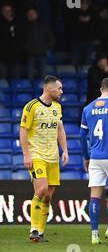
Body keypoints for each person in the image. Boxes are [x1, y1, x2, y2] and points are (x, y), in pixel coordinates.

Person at [20, 76, 69, 242]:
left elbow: (60, 129)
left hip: (53, 156)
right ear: (49, 89)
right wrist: (26, 154)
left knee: (48, 196)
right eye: (60, 88)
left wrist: (65, 150)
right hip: (37, 155)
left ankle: (40, 232)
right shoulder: (31, 106)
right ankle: (33, 229)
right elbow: (23, 131)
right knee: (41, 189)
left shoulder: (57, 107)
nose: (62, 91)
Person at [79, 78, 108, 244]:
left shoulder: (88, 108)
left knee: (95, 196)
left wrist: (85, 157)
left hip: (95, 158)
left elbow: (82, 136)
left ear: (100, 89)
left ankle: (94, 235)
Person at [21, 8, 55, 80]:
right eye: (30, 14)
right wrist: (27, 49)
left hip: (42, 55)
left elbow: (51, 39)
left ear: (37, 15)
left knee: (42, 78)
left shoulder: (43, 26)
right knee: (30, 78)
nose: (31, 15)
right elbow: (21, 41)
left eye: (33, 14)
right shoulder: (24, 28)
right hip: (30, 56)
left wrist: (44, 48)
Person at [0, 3, 21, 79]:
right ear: (2, 12)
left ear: (12, 12)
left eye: (9, 11)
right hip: (2, 56)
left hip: (15, 56)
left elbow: (21, 38)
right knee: (2, 80)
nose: (7, 13)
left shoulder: (17, 23)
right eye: (5, 11)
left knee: (16, 79)